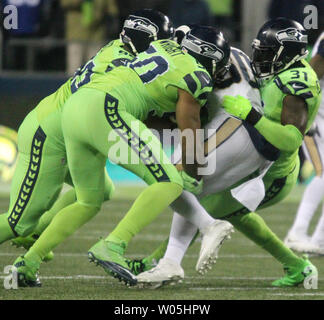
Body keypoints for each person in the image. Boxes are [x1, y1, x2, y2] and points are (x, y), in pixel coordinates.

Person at [11, 20, 232, 287]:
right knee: (169, 182)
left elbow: (146, 107)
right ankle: (114, 244)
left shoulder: (163, 46)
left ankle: (28, 262)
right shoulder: (198, 76)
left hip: (77, 106)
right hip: (106, 107)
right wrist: (194, 173)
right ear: (210, 58)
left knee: (89, 200)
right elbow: (190, 132)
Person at [135, 18, 320, 288]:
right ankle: (298, 267)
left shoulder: (296, 83)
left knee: (202, 206)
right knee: (216, 212)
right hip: (257, 161)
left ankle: (160, 262)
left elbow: (291, 140)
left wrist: (251, 115)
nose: (259, 58)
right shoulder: (280, 71)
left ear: (287, 55)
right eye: (259, 50)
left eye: (267, 53)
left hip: (274, 173)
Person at [1, 9, 171, 287]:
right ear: (146, 40)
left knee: (98, 193)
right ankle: (32, 236)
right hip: (47, 135)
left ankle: (32, 252)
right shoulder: (123, 65)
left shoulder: (116, 49)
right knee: (18, 222)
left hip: (67, 133)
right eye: (158, 44)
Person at [285, 31, 324, 254]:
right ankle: (297, 232)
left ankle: (319, 240)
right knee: (322, 172)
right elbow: (310, 76)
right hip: (316, 117)